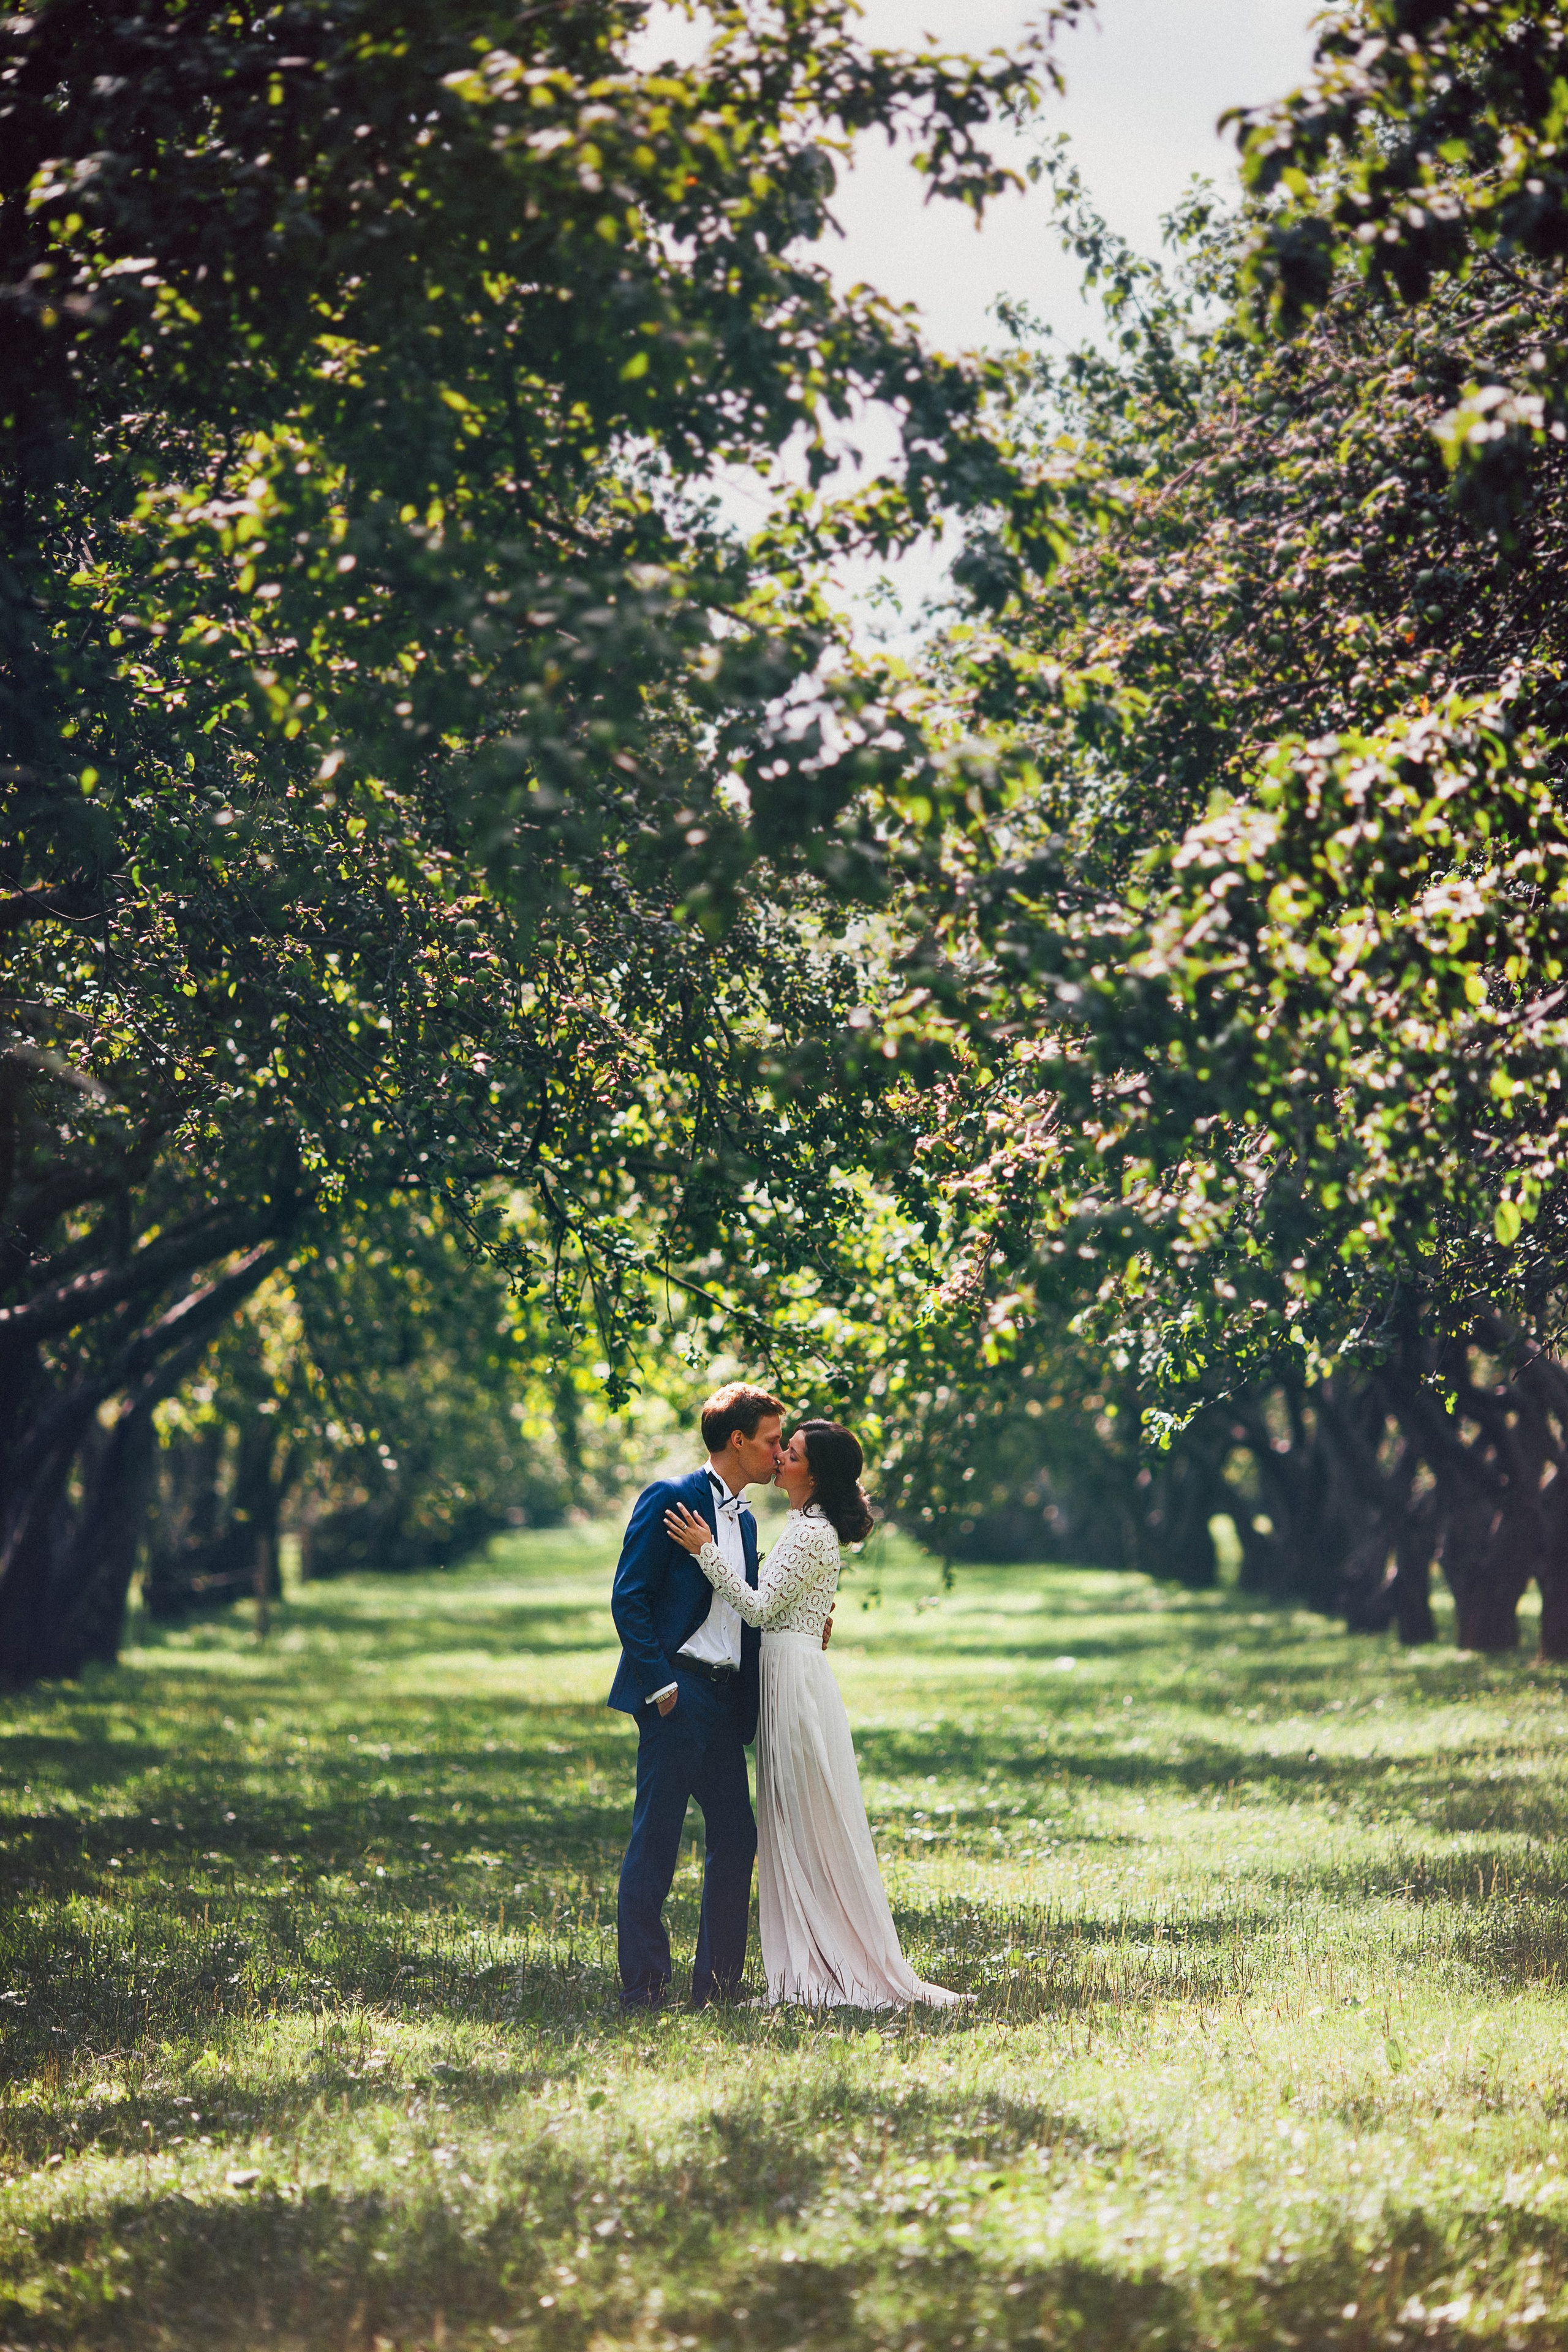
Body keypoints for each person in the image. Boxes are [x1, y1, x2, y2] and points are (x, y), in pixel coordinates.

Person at [665, 1419, 963, 2010]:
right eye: (781, 1447)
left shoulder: (809, 1533)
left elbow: (755, 1607)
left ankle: (819, 1970)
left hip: (793, 1684)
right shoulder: (805, 1526)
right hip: (786, 1673)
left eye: (791, 1453)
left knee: (802, 1821)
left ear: (815, 1474)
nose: (779, 1457)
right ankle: (805, 1962)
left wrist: (704, 1551)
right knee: (791, 1822)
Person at [609, 1382, 809, 2008]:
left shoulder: (744, 1520)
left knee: (736, 1835)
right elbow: (630, 1597)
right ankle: (643, 1986)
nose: (780, 1454)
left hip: (724, 1703)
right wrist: (661, 1685)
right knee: (658, 1838)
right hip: (678, 1692)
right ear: (738, 1439)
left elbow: (742, 1608)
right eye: (773, 1441)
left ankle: (717, 1986)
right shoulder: (671, 1498)